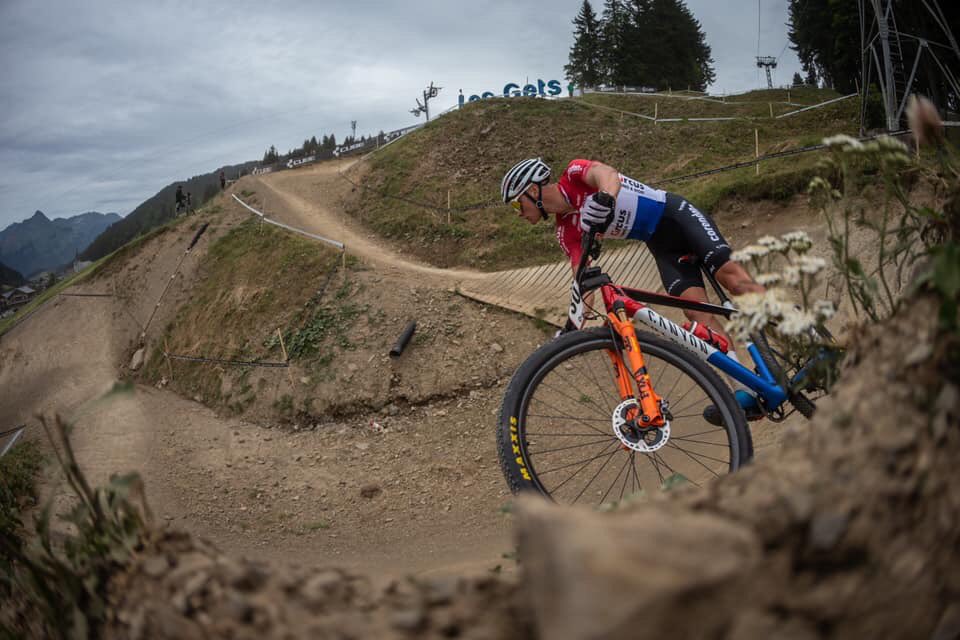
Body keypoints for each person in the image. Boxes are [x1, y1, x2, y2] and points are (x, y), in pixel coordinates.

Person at [500, 157, 765, 422]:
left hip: (675, 215)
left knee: (732, 278)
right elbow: (581, 278)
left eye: (516, 204)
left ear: (532, 190)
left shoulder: (573, 174)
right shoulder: (566, 231)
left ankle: (799, 328)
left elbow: (608, 174)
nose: (519, 213)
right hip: (661, 244)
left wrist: (605, 198)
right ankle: (743, 391)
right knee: (697, 314)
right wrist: (572, 327)